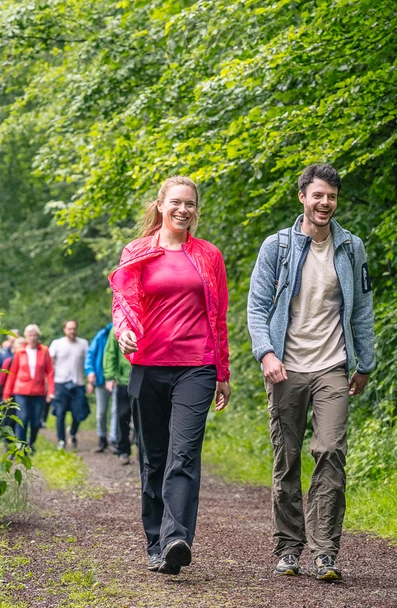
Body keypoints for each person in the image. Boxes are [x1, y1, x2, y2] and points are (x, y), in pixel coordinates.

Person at [247, 163, 376, 582]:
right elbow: (257, 307)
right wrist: (266, 353)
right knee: (287, 460)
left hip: (332, 366)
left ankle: (325, 552)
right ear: (302, 197)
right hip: (285, 368)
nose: (325, 203)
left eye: (332, 196)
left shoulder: (351, 247)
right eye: (318, 195)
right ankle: (288, 548)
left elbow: (362, 311)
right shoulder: (277, 247)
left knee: (330, 451)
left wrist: (365, 363)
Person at [109, 175, 232, 576]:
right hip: (148, 365)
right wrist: (123, 330)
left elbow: (219, 315)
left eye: (191, 204)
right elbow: (123, 303)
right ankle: (155, 542)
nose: (184, 210)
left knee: (184, 455)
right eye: (176, 202)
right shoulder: (138, 251)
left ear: (197, 210)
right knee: (154, 457)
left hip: (196, 366)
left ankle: (177, 538)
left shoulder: (209, 255)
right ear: (161, 205)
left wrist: (222, 370)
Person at [87, 318, 133, 463]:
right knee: (121, 415)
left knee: (142, 417)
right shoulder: (116, 328)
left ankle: (143, 451)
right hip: (123, 380)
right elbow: (110, 353)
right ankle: (122, 450)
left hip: (145, 378)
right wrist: (110, 376)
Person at [2, 324, 55, 449]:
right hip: (21, 391)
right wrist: (6, 394)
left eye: (35, 335)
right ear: (26, 337)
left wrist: (51, 391)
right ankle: (21, 445)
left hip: (39, 392)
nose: (32, 337)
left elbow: (50, 372)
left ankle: (31, 443)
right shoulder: (20, 352)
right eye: (30, 335)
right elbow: (12, 374)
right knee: (23, 418)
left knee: (36, 422)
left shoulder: (44, 351)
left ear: (38, 336)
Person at [48, 319, 91, 450]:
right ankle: (61, 440)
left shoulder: (83, 344)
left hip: (78, 383)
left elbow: (88, 363)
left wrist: (90, 380)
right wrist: (49, 384)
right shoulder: (57, 344)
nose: (72, 331)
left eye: (74, 328)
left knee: (79, 413)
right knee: (60, 413)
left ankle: (72, 432)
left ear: (76, 329)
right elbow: (49, 364)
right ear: (64, 329)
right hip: (60, 383)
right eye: (69, 328)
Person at [0, 336, 28, 440]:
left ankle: (20, 441)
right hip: (9, 395)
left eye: (23, 345)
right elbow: (1, 380)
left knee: (21, 419)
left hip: (23, 394)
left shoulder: (28, 361)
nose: (21, 347)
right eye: (19, 345)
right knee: (9, 420)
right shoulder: (9, 361)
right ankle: (8, 442)